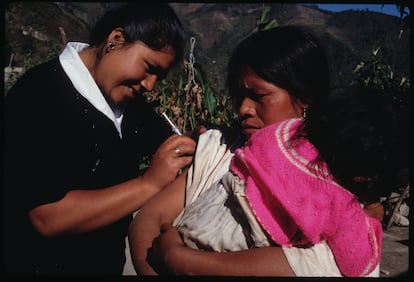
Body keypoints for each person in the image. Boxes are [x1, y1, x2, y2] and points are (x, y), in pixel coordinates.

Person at [128, 26, 401, 277]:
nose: (244, 109)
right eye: (238, 96)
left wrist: (182, 260)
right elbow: (149, 217)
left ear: (305, 99)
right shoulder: (221, 150)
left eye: (259, 96)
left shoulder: (327, 185)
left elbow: (314, 265)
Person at [4, 3, 196, 274]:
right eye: (149, 67)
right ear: (115, 41)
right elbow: (47, 216)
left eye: (159, 77)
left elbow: (170, 144)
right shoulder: (38, 96)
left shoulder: (128, 103)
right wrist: (148, 184)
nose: (150, 85)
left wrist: (203, 140)